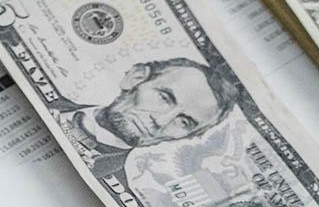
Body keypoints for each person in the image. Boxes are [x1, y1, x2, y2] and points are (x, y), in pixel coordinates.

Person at [51, 57, 240, 178]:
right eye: (164, 98)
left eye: (184, 122)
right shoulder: (47, 99)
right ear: (135, 78)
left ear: (189, 136)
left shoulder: (111, 188)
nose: (161, 121)